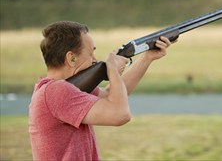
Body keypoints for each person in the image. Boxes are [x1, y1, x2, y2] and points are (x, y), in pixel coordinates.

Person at [29, 21, 173, 160]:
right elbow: (120, 114)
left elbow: (111, 95)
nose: (95, 59)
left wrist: (146, 58)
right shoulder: (56, 91)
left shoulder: (65, 89)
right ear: (71, 58)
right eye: (91, 53)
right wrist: (112, 70)